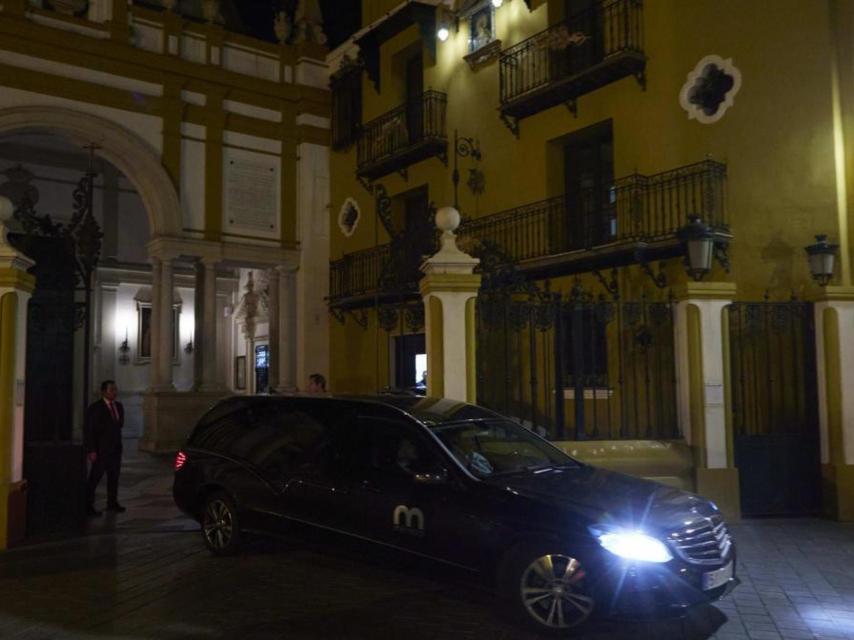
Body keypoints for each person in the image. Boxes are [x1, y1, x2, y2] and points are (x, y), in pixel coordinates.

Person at [84, 380, 126, 516]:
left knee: (114, 478)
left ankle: (112, 503)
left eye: (115, 389)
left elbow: (119, 424)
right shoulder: (95, 408)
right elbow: (90, 431)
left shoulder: (118, 406)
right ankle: (88, 505)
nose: (115, 392)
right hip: (101, 450)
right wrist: (92, 450)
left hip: (115, 449)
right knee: (95, 478)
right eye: (111, 390)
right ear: (103, 392)